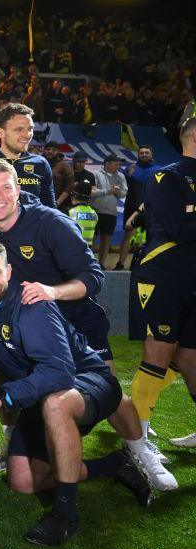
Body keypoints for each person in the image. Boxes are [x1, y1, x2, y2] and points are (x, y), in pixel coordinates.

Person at [0, 159, 175, 490]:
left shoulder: (51, 223)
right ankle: (11, 443)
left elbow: (93, 276)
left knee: (103, 390)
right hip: (24, 325)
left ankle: (139, 451)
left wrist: (52, 292)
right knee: (4, 374)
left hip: (76, 319)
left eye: (6, 188)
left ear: (18, 190)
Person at [0, 236, 153, 546]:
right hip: (40, 393)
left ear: (9, 272)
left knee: (55, 404)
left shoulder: (30, 306)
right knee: (22, 481)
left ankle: (65, 515)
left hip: (88, 382)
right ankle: (113, 465)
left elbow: (59, 373)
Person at [128, 117, 196, 451]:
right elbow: (179, 229)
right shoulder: (165, 176)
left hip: (193, 277)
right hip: (164, 275)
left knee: (193, 357)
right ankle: (137, 438)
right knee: (159, 350)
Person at [116, 145, 159, 270]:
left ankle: (148, 265)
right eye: (141, 153)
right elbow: (123, 186)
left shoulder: (159, 170)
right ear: (138, 154)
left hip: (151, 207)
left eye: (147, 152)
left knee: (151, 236)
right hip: (132, 206)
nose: (144, 155)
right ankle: (120, 263)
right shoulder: (131, 168)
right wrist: (129, 175)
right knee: (127, 235)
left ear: (152, 154)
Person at [91, 155, 127, 268]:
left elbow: (123, 193)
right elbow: (93, 192)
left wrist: (118, 191)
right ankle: (90, 263)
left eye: (119, 165)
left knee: (106, 238)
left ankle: (101, 263)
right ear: (107, 163)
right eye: (116, 164)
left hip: (111, 212)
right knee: (93, 237)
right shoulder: (96, 174)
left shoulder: (120, 176)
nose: (118, 166)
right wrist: (109, 191)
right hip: (96, 210)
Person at [42, 142, 75, 211]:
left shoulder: (64, 166)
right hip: (39, 203)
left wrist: (57, 203)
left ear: (58, 151)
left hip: (58, 205)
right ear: (44, 150)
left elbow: (69, 187)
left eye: (54, 150)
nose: (50, 151)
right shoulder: (39, 163)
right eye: (48, 149)